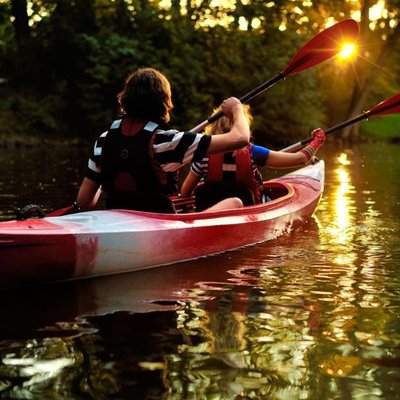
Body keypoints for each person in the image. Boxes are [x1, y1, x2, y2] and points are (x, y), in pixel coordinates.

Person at [75, 67, 250, 213]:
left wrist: (103, 178)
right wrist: (236, 109)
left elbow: (84, 202)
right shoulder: (170, 142)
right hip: (161, 226)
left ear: (125, 99)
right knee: (235, 202)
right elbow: (241, 138)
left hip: (117, 223)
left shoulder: (103, 141)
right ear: (164, 102)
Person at [180, 105, 326, 211]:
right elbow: (300, 159)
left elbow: (185, 192)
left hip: (208, 215)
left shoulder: (202, 155)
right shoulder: (254, 153)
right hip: (247, 212)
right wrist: (317, 141)